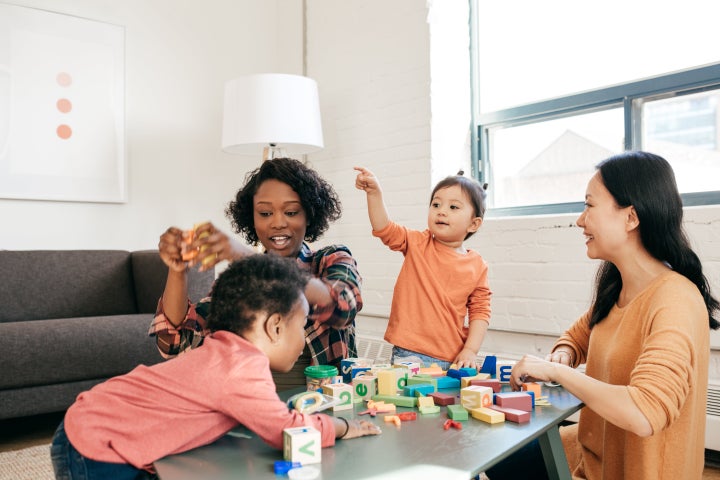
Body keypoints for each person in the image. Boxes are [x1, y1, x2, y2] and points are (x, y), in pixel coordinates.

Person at [488, 151, 719, 480]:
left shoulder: (674, 300)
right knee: (500, 456)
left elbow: (644, 412)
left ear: (631, 218)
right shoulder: (620, 288)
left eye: (589, 205)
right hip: (595, 459)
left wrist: (554, 370)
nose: (580, 220)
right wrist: (564, 356)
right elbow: (577, 337)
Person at [51, 254, 381, 480]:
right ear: (276, 326)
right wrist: (343, 426)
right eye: (302, 324)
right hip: (97, 443)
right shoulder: (242, 369)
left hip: (96, 419)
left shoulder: (223, 350)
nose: (303, 336)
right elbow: (287, 430)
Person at [150, 158, 362, 390]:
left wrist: (246, 258)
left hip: (325, 404)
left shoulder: (331, 259)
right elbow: (175, 344)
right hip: (256, 405)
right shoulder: (241, 280)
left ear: (309, 215)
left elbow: (343, 306)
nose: (278, 223)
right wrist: (177, 270)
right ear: (252, 218)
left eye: (291, 212)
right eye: (265, 213)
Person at [354, 166, 491, 370]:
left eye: (454, 207)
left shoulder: (477, 265)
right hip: (409, 354)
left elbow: (480, 312)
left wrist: (470, 350)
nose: (441, 211)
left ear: (474, 224)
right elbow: (385, 229)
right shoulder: (417, 243)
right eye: (436, 204)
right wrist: (374, 193)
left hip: (452, 358)